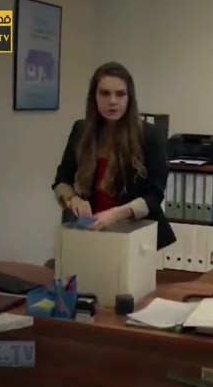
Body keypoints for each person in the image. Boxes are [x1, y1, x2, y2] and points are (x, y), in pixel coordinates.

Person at [52, 62, 176, 250]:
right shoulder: (80, 130)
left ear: (129, 98)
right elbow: (61, 181)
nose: (112, 101)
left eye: (120, 94)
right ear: (94, 96)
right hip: (90, 229)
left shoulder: (151, 135)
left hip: (136, 235)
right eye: (104, 93)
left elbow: (154, 196)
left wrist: (116, 214)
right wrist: (73, 199)